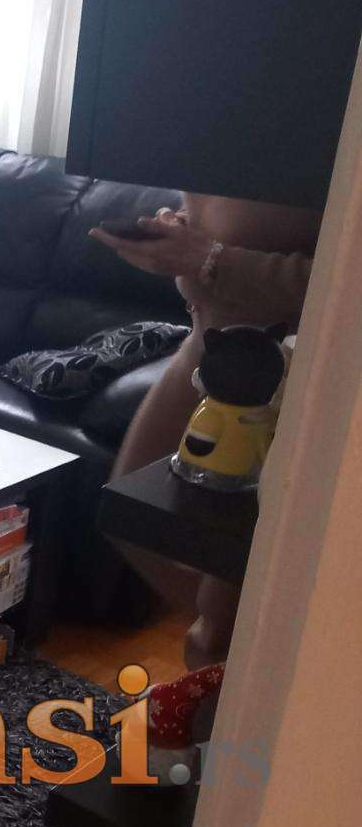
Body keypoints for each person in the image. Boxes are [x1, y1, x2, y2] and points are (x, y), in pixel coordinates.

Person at [89, 192, 319, 668]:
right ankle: (246, 656)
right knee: (130, 518)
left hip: (278, 374)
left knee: (220, 617)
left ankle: (233, 660)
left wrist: (208, 259)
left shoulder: (326, 153)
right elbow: (228, 229)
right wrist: (178, 230)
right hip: (206, 346)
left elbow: (343, 283)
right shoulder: (221, 146)